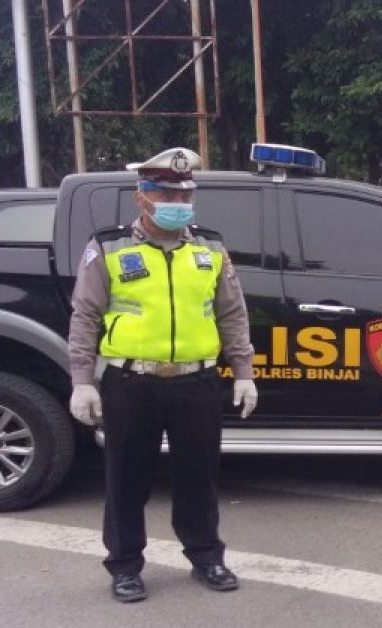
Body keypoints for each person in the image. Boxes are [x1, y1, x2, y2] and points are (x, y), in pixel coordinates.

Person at [67, 147, 258, 603]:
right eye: (167, 192)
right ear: (142, 197)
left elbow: (232, 314)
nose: (178, 201)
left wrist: (244, 372)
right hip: (131, 382)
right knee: (126, 478)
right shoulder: (109, 247)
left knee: (199, 476)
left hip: (197, 381)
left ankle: (206, 556)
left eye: (185, 193)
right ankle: (126, 566)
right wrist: (81, 380)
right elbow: (85, 317)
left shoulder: (210, 248)